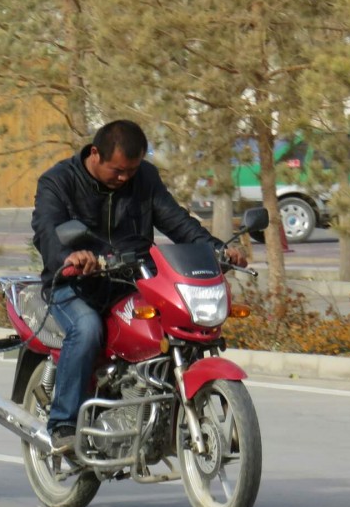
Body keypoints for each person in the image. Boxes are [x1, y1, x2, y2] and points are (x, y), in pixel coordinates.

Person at [30, 119, 247, 453]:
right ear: (94, 154)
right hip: (74, 284)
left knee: (174, 326)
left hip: (131, 279)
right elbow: (48, 229)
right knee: (87, 330)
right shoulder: (58, 182)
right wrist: (71, 257)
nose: (124, 178)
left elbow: (176, 220)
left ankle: (161, 410)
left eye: (131, 170)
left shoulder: (144, 178)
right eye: (117, 170)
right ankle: (63, 423)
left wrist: (215, 249)